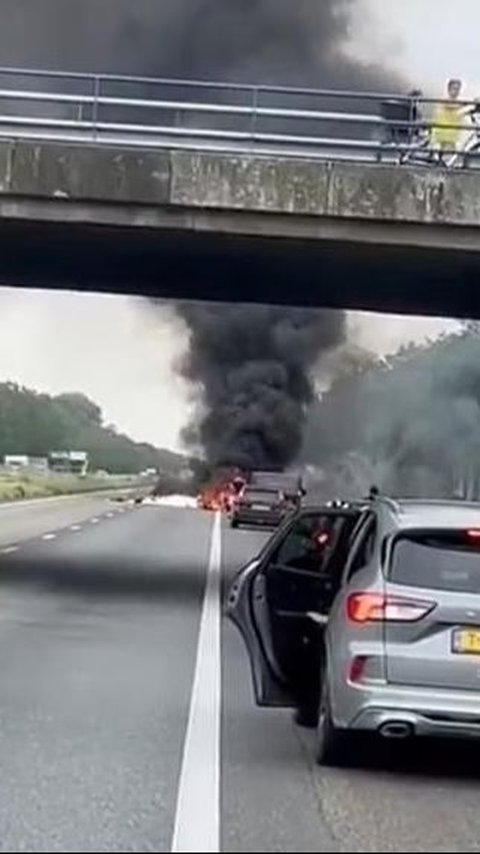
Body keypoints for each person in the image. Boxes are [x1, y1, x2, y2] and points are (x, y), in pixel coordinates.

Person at [431, 78, 466, 156]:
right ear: (448, 89)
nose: (456, 92)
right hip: (440, 132)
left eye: (458, 89)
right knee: (438, 151)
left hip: (452, 134)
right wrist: (468, 104)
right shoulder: (444, 99)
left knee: (454, 152)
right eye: (454, 89)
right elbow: (451, 106)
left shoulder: (458, 101)